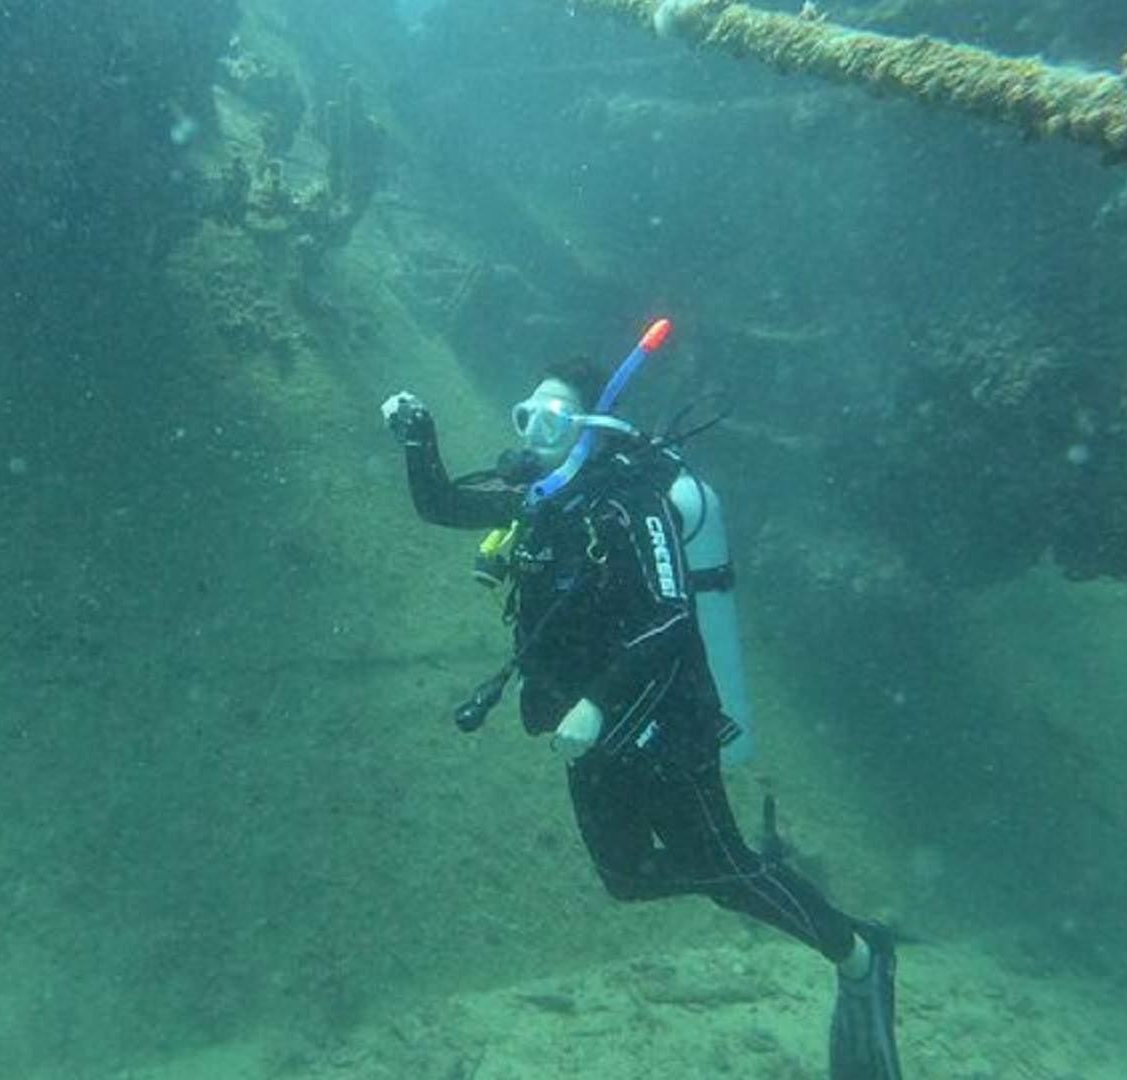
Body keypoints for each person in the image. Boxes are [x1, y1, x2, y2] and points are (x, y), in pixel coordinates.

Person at [381, 354, 902, 1080]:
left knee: (727, 876)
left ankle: (858, 952)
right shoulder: (538, 495)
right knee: (625, 876)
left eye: (555, 418)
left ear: (594, 428)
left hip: (663, 722)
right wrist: (417, 434)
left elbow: (668, 616)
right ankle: (744, 870)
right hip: (584, 730)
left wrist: (597, 705)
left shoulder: (632, 503)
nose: (535, 432)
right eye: (526, 415)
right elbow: (441, 504)